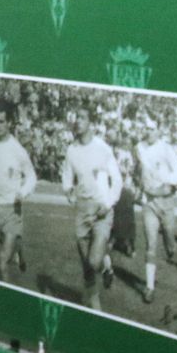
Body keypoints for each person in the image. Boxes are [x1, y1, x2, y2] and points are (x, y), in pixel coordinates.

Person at [61, 112, 124, 312]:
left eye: (82, 117)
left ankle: (105, 265)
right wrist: (69, 192)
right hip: (82, 210)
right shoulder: (71, 150)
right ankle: (95, 307)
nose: (77, 121)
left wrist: (109, 203)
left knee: (93, 260)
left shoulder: (102, 149)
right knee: (87, 266)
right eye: (76, 118)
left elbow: (118, 180)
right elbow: (67, 177)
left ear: (91, 123)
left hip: (102, 210)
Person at [134, 118, 177, 304]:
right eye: (146, 129)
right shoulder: (138, 147)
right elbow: (140, 170)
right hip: (149, 203)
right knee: (150, 244)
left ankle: (171, 245)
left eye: (152, 129)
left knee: (170, 242)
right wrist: (142, 186)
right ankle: (149, 287)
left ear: (158, 131)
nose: (148, 132)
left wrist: (166, 184)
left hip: (166, 201)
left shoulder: (166, 148)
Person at [0, 102, 37, 278]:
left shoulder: (18, 151)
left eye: (1, 121)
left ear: (9, 123)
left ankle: (2, 302)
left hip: (11, 211)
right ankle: (18, 247)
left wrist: (22, 193)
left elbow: (31, 176)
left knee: (1, 263)